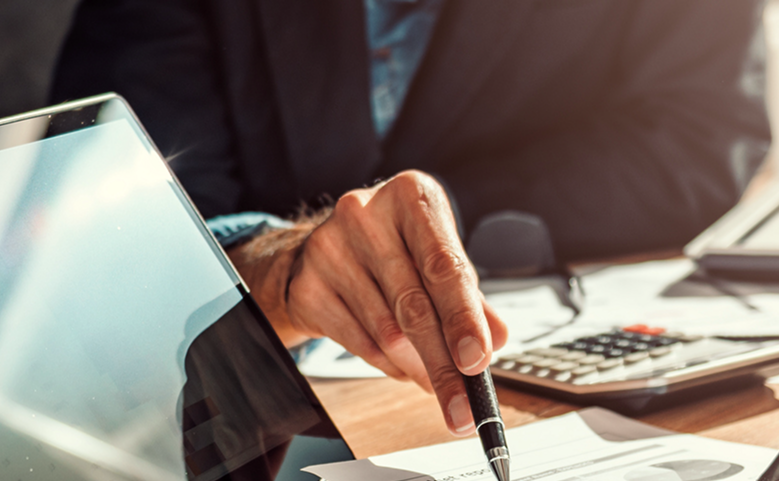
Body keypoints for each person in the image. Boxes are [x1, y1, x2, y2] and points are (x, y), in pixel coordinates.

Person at [52, 0, 770, 434]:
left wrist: (430, 225)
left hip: (483, 394)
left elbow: (702, 146)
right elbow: (120, 205)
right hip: (222, 420)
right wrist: (283, 262)